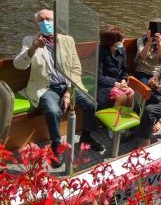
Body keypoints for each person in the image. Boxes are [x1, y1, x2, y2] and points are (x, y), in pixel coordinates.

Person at [13, 9, 104, 168]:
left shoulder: (67, 40)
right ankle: (56, 143)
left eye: (48, 19)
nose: (45, 23)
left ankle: (86, 136)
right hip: (46, 87)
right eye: (41, 20)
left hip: (68, 85)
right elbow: (18, 65)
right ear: (36, 24)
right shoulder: (29, 40)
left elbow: (76, 69)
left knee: (91, 103)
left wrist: (69, 92)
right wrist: (33, 48)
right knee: (53, 111)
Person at [97, 26, 134, 110]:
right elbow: (99, 78)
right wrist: (116, 84)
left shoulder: (121, 50)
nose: (123, 41)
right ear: (111, 42)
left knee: (131, 94)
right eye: (121, 39)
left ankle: (122, 117)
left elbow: (124, 69)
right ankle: (114, 120)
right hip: (103, 85)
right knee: (122, 97)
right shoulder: (100, 52)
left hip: (118, 83)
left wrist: (123, 80)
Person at [135, 19, 161, 85]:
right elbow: (142, 56)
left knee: (159, 90)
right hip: (143, 71)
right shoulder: (141, 40)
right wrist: (149, 42)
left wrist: (158, 43)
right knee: (146, 88)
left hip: (157, 72)